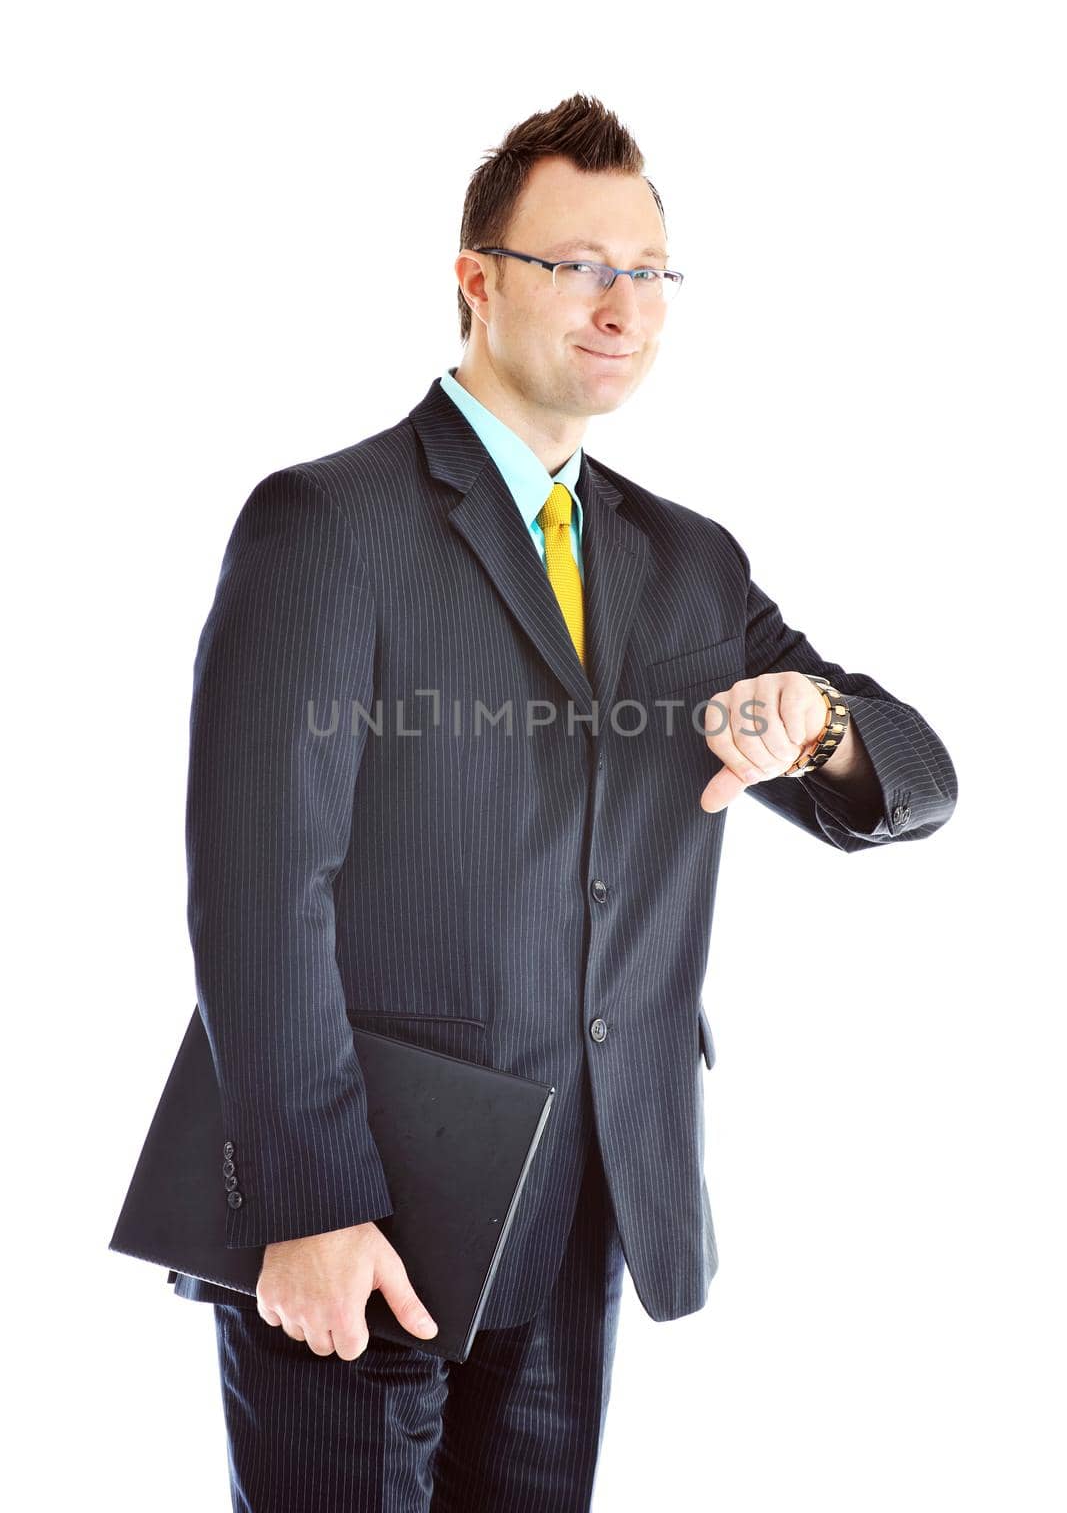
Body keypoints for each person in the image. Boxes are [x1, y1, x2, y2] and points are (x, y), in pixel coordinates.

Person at [167, 92, 957, 1511]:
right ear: (477, 281)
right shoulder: (325, 526)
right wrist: (308, 1203)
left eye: (648, 274)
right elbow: (257, 887)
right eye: (579, 266)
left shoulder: (683, 564)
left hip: (582, 1205)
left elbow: (918, 778)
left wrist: (816, 721)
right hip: (366, 1214)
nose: (623, 306)